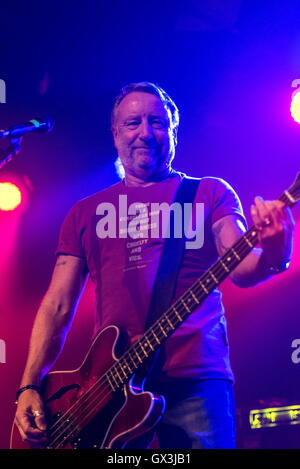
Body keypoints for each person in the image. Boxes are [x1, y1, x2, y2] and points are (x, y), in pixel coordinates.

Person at [14, 82, 295, 449]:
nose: (145, 133)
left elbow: (242, 268)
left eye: (157, 122)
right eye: (133, 123)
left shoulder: (209, 193)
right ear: (115, 135)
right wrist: (30, 385)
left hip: (195, 379)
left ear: (174, 132)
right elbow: (58, 304)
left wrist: (276, 254)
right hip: (108, 391)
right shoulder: (84, 213)